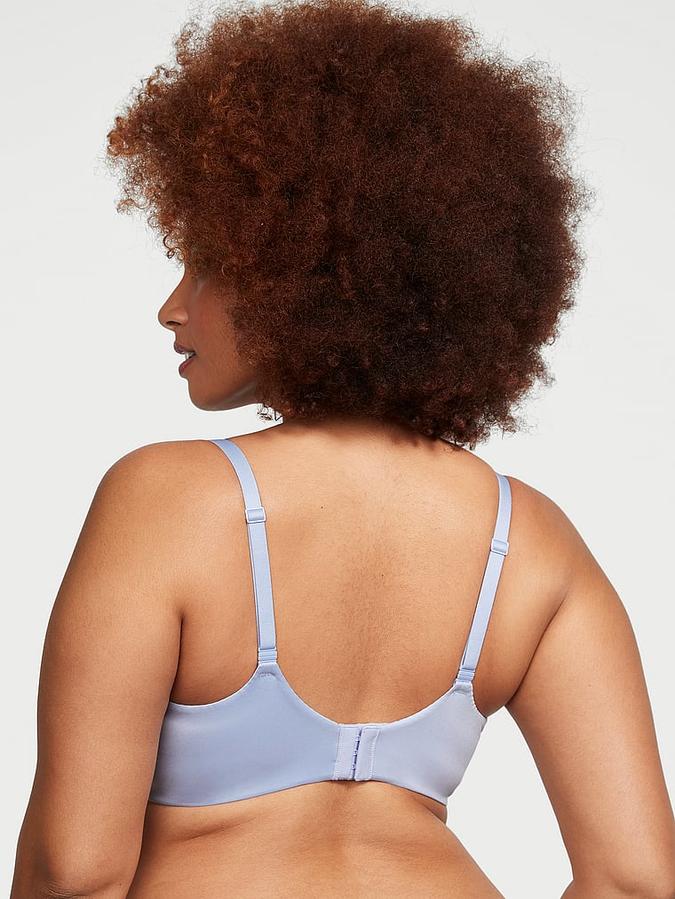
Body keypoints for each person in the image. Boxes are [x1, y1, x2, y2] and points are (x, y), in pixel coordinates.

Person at [11, 0, 675, 896]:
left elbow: (75, 868)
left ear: (298, 269)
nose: (172, 306)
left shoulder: (167, 497)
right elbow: (635, 880)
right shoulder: (533, 541)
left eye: (208, 263)